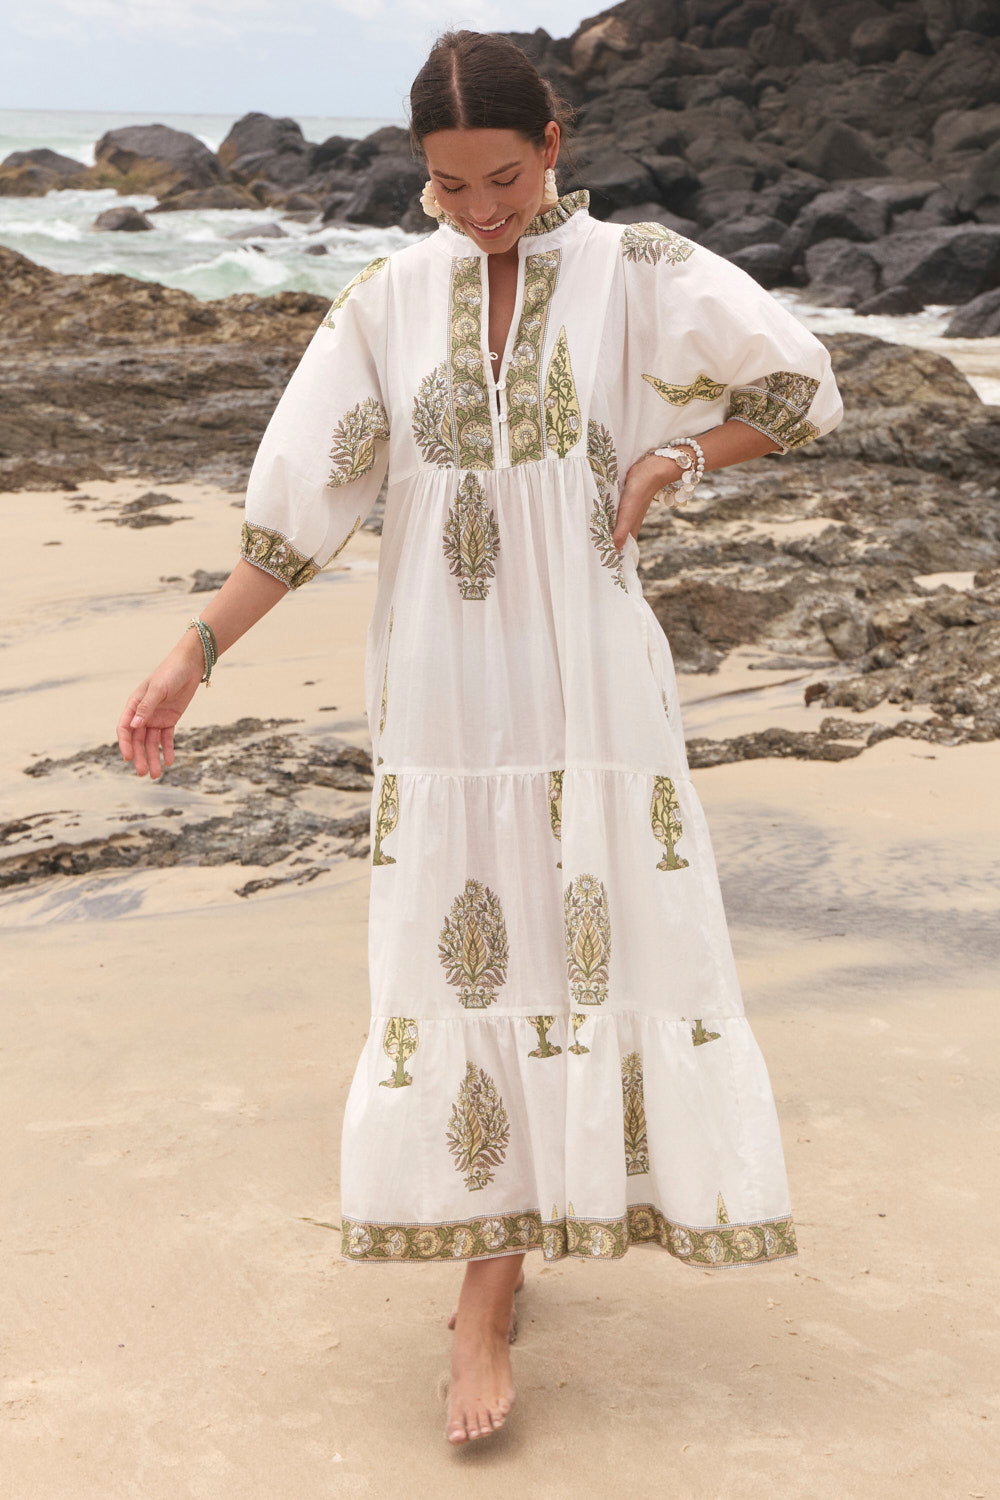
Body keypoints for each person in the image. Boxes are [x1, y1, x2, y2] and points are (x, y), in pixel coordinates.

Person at [118, 28, 844, 1449]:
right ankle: (484, 1287)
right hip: (448, 697)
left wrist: (678, 455)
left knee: (580, 937)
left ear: (552, 143)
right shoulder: (391, 300)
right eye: (449, 187)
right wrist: (193, 651)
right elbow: (306, 504)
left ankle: (495, 1277)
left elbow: (799, 385)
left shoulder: (638, 275)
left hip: (591, 690)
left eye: (500, 178)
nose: (478, 209)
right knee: (466, 946)